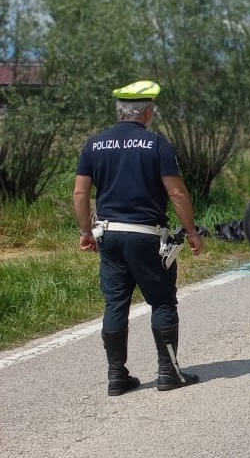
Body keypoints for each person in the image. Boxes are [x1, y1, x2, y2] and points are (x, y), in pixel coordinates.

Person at [73, 80, 205, 395]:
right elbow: (175, 191)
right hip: (147, 236)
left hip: (110, 236)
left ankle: (117, 377)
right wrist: (191, 231)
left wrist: (85, 232)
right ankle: (169, 373)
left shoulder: (95, 144)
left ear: (121, 111)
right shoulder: (156, 144)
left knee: (115, 304)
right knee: (161, 301)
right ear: (146, 111)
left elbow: (80, 192)